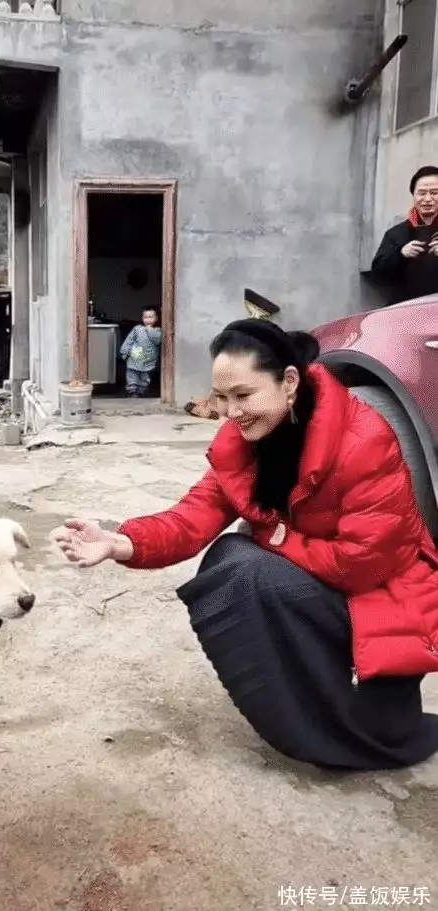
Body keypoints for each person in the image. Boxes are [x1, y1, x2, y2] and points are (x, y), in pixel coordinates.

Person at [54, 318, 438, 771]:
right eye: (222, 398)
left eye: (243, 396)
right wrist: (123, 542)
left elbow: (362, 565)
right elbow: (193, 516)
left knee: (247, 565)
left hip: (381, 595)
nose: (231, 412)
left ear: (289, 382)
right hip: (321, 580)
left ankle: (350, 709)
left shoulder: (363, 441)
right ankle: (300, 708)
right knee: (230, 560)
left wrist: (276, 538)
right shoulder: (244, 440)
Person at [371, 165, 438, 304]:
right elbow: (378, 275)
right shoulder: (396, 233)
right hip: (405, 313)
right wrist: (400, 254)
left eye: (434, 192)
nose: (427, 199)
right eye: (422, 193)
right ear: (413, 195)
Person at [120, 307, 162, 397]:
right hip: (135, 356)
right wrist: (125, 352)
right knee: (132, 374)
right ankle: (132, 391)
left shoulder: (158, 330)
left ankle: (142, 391)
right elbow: (129, 340)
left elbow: (157, 340)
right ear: (142, 318)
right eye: (145, 317)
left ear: (156, 318)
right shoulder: (137, 329)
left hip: (148, 359)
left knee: (145, 377)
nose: (148, 319)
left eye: (151, 317)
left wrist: (150, 330)